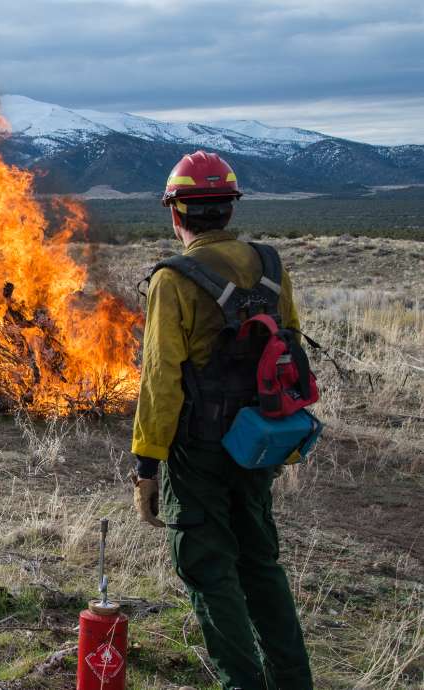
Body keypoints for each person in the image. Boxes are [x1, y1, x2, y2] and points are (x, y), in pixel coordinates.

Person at [131, 151, 314, 690]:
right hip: (259, 441)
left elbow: (161, 379)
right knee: (260, 563)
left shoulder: (173, 279)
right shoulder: (270, 264)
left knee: (209, 569)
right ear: (229, 211)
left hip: (199, 452)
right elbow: (292, 351)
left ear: (175, 214)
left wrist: (147, 464)